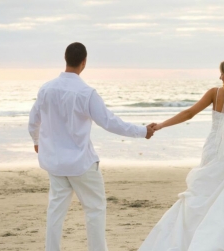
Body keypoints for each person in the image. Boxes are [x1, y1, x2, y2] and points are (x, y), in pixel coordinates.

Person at [138, 59, 224, 251]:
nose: (219, 76)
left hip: (213, 148)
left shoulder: (215, 93)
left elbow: (189, 113)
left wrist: (162, 125)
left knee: (202, 193)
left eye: (221, 73)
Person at [28, 42, 156, 251]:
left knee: (55, 211)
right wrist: (142, 131)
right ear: (84, 62)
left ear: (65, 58)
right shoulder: (86, 92)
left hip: (55, 163)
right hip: (81, 163)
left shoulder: (46, 89)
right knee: (95, 210)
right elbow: (109, 122)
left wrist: (36, 142)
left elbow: (33, 121)